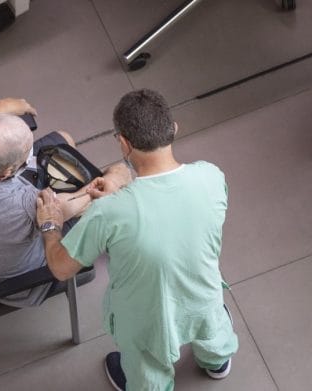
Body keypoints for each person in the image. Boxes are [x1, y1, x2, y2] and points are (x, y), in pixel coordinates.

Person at [36, 89, 238, 390]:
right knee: (211, 320)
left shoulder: (107, 213)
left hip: (147, 317)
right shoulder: (210, 176)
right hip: (202, 294)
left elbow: (62, 269)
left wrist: (50, 225)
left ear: (123, 143)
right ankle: (216, 359)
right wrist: (124, 191)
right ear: (173, 128)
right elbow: (170, 212)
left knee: (145, 359)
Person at [0, 98, 130, 307]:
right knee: (116, 181)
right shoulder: (26, 207)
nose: (32, 156)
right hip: (14, 284)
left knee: (63, 139)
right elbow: (91, 197)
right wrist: (117, 177)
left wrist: (1, 108)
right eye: (27, 156)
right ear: (7, 172)